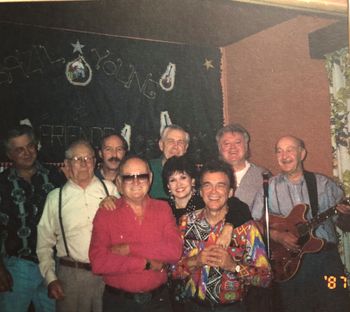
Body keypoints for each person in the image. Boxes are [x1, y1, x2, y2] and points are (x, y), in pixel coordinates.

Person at [252, 135, 350, 312]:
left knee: (338, 302)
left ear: (302, 154)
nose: (284, 155)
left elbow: (345, 225)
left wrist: (346, 215)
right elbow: (253, 224)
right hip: (288, 265)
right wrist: (278, 235)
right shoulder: (268, 188)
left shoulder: (324, 184)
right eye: (279, 151)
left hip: (327, 261)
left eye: (290, 149)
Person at [173, 159, 272, 312]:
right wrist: (196, 260)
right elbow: (171, 271)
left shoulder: (246, 229)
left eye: (221, 185)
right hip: (192, 306)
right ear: (200, 191)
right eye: (207, 185)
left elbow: (265, 278)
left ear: (231, 192)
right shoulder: (185, 223)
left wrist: (234, 266)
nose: (213, 192)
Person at [89, 155, 183, 312]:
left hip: (158, 302)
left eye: (142, 176)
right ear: (119, 181)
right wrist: (146, 263)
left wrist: (128, 249)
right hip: (119, 303)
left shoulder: (163, 208)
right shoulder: (106, 213)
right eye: (128, 177)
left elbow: (174, 251)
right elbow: (98, 263)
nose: (136, 182)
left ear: (150, 178)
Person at [36, 139, 118, 312]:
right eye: (77, 159)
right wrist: (51, 278)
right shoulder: (55, 198)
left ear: (95, 162)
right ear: (66, 164)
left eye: (88, 158)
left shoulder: (110, 189)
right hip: (71, 276)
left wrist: (117, 206)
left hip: (108, 274)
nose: (83, 163)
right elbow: (44, 244)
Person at [0, 124, 65, 312]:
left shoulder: (54, 177)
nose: (27, 153)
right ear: (9, 154)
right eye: (19, 149)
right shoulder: (2, 183)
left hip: (52, 267)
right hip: (16, 267)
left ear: (36, 146)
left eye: (30, 146)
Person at [216, 123, 268, 210]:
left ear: (246, 145)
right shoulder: (211, 177)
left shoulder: (263, 176)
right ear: (219, 148)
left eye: (237, 142)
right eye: (227, 144)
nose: (233, 148)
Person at [150, 124, 190, 199]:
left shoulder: (192, 172)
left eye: (180, 142)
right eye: (170, 141)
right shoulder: (148, 168)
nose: (175, 146)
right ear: (161, 145)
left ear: (186, 148)